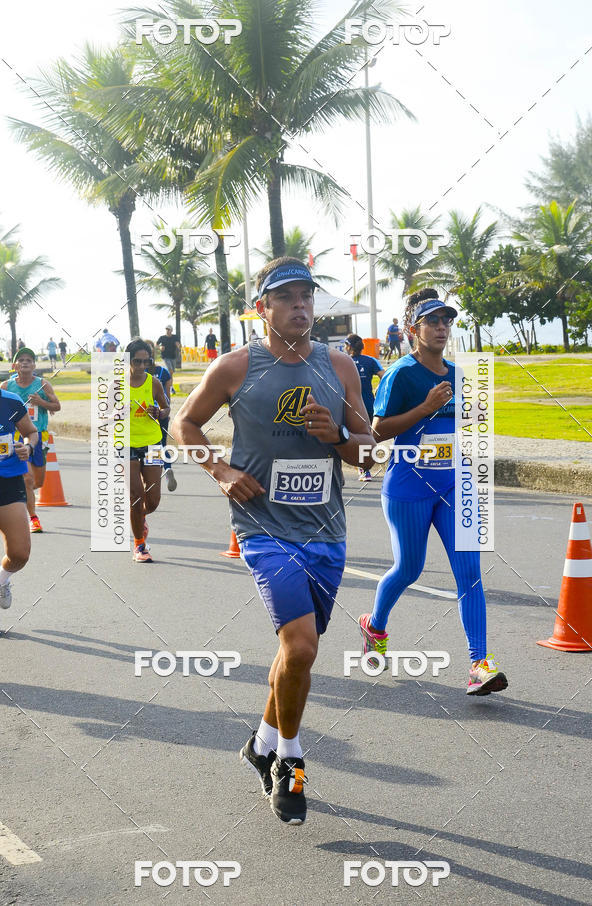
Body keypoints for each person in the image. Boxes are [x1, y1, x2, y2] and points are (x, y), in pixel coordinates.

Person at [173, 256, 374, 825]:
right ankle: (289, 759)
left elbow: (367, 453)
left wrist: (336, 436)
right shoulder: (236, 367)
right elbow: (184, 425)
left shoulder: (341, 368)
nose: (300, 306)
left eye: (306, 296)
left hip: (326, 530)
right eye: (286, 298)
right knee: (304, 645)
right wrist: (222, 472)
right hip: (263, 528)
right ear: (262, 308)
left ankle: (260, 742)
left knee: (294, 652)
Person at [358, 288, 508, 696]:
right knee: (409, 569)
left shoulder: (460, 375)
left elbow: (466, 430)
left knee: (471, 575)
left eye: (447, 321)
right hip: (408, 487)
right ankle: (375, 625)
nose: (442, 328)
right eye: (433, 321)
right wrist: (424, 409)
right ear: (413, 329)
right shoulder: (401, 374)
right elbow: (378, 430)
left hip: (452, 486)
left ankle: (480, 663)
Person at [0, 352, 38, 636]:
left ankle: (3, 577)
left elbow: (31, 433)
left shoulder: (11, 402)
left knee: (20, 553)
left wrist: (28, 447)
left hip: (9, 479)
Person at [1, 348, 61, 533]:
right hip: (16, 437)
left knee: (38, 482)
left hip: (38, 435)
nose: (25, 362)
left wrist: (41, 403)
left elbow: (57, 406)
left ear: (34, 365)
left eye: (29, 360)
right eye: (21, 360)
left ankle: (22, 493)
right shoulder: (6, 386)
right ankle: (33, 518)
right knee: (27, 479)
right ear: (15, 365)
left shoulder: (43, 385)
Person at [127, 339, 170, 562]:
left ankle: (138, 518)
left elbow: (166, 408)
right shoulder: (116, 384)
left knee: (152, 500)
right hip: (126, 444)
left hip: (153, 442)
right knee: (136, 496)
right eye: (137, 361)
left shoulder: (153, 382)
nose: (142, 365)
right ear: (128, 360)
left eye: (146, 361)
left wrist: (159, 412)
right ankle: (140, 545)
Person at [343, 334, 385, 481]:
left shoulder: (343, 362)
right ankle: (364, 470)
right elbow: (385, 377)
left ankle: (348, 472)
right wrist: (379, 390)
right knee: (365, 438)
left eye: (345, 345)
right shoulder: (371, 361)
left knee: (342, 438)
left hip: (346, 407)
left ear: (349, 346)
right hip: (367, 405)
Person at [145, 341, 177, 492]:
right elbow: (167, 395)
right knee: (161, 444)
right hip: (161, 413)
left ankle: (152, 479)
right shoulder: (163, 372)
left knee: (148, 446)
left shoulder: (136, 373)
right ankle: (167, 469)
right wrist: (166, 411)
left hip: (144, 414)